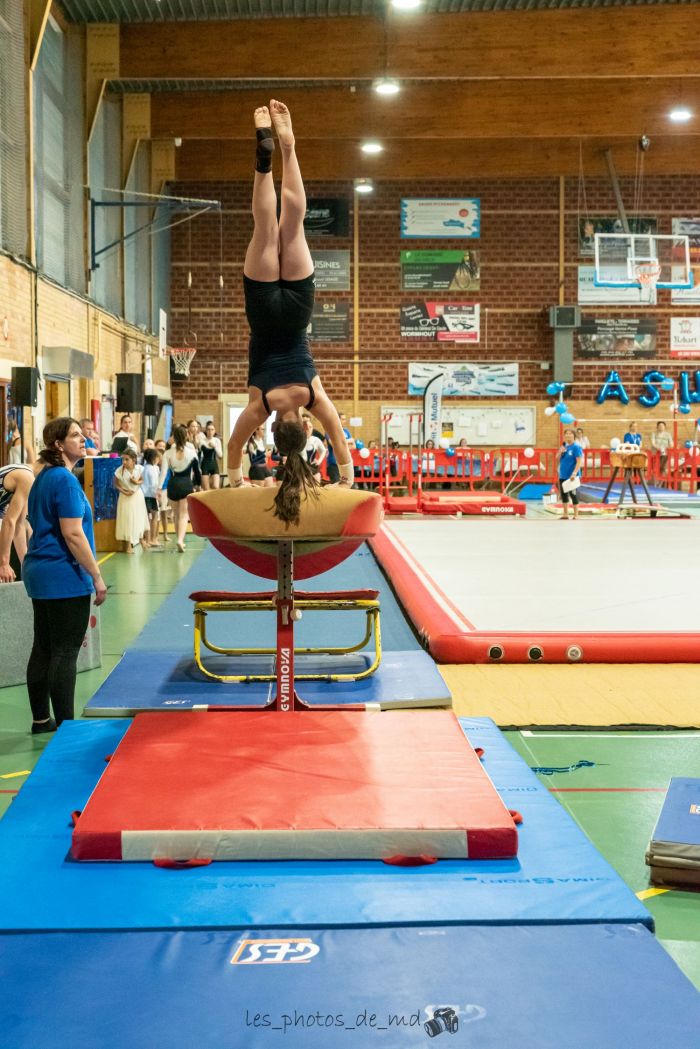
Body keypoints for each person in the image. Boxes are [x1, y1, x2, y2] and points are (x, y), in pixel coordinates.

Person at [226, 100, 354, 521]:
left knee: (292, 224)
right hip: (263, 312)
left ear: (301, 425)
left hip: (297, 311)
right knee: (266, 228)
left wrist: (346, 478)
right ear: (274, 432)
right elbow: (232, 448)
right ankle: (264, 160)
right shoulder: (258, 406)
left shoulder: (313, 397)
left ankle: (288, 146)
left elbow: (338, 439)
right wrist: (234, 479)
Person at [22, 418, 107, 733]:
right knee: (65, 650)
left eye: (82, 434)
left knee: (43, 646)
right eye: (75, 435)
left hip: (39, 571)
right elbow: (73, 535)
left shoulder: (43, 477)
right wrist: (96, 576)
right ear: (58, 444)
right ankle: (67, 726)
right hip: (62, 575)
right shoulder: (66, 481)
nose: (82, 438)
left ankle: (41, 719)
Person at [159, 423, 202, 552]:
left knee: (176, 515)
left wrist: (159, 488)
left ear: (174, 437)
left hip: (173, 484)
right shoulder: (191, 452)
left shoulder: (167, 453)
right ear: (186, 437)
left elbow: (164, 472)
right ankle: (180, 540)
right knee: (184, 515)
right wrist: (198, 486)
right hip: (186, 484)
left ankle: (179, 538)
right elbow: (197, 471)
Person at [0, 462, 34, 582]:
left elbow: (19, 525)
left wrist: (26, 566)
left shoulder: (28, 477)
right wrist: (4, 564)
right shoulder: (27, 477)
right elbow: (8, 522)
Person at [114, 450, 150, 554]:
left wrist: (136, 482)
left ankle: (141, 539)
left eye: (127, 459)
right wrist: (124, 491)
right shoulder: (119, 471)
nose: (124, 462)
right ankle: (128, 545)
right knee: (127, 519)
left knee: (139, 518)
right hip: (125, 497)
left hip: (137, 496)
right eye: (123, 459)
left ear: (134, 460)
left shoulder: (139, 468)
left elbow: (142, 480)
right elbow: (115, 484)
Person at [556, 428, 584, 520]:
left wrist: (574, 473)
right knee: (564, 494)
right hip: (563, 474)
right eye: (566, 434)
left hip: (571, 475)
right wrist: (561, 451)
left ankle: (576, 514)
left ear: (574, 436)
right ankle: (565, 514)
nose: (568, 435)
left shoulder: (576, 447)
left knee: (573, 494)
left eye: (570, 434)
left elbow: (579, 461)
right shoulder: (564, 447)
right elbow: (557, 458)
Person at [325, 413, 355, 484]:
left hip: (345, 463)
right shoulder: (329, 430)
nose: (345, 421)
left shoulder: (346, 431)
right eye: (343, 419)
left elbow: (353, 446)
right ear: (338, 420)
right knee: (336, 485)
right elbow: (333, 444)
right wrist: (348, 441)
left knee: (346, 485)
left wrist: (341, 443)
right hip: (333, 463)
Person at [142, 448, 163, 546]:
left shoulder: (144, 467)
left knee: (146, 517)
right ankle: (153, 538)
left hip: (144, 495)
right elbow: (154, 484)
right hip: (151, 495)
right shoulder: (152, 469)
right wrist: (158, 497)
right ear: (154, 458)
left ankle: (147, 539)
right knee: (154, 516)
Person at [199, 421, 223, 490]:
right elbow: (199, 456)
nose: (210, 431)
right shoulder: (202, 441)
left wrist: (214, 446)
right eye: (208, 429)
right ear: (206, 431)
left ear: (214, 431)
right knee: (206, 489)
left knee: (216, 487)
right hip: (204, 465)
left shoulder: (216, 440)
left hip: (214, 464)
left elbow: (220, 456)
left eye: (212, 430)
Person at [303, 415, 326, 482]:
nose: (308, 429)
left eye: (310, 427)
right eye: (306, 427)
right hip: (301, 468)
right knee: (304, 489)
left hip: (313, 467)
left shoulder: (315, 440)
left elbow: (323, 450)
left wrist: (319, 461)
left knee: (316, 488)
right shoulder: (299, 440)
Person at [651, 420, 673, 484]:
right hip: (655, 454)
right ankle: (655, 482)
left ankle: (661, 483)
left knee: (663, 468)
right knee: (655, 468)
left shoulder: (668, 435)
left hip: (665, 454)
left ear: (665, 427)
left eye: (662, 426)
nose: (661, 427)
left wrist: (668, 447)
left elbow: (671, 444)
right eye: (660, 426)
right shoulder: (654, 434)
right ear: (657, 427)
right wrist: (658, 448)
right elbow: (653, 443)